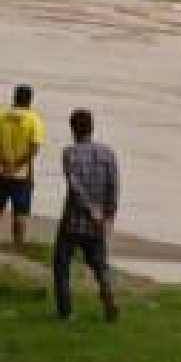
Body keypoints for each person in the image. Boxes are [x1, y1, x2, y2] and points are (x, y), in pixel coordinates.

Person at [53, 109, 119, 322]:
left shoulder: (69, 153)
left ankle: (66, 312)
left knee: (62, 264)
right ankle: (106, 288)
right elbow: (113, 185)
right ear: (92, 127)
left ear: (73, 129)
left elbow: (74, 186)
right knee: (99, 262)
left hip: (73, 220)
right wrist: (108, 214)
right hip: (98, 222)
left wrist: (89, 209)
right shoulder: (108, 153)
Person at [0, 84, 45, 247]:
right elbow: (34, 148)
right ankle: (18, 247)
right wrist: (17, 165)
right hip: (22, 174)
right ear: (30, 100)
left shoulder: (2, 115)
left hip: (1, 171)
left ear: (14, 97)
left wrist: (5, 162)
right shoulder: (34, 120)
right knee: (20, 214)